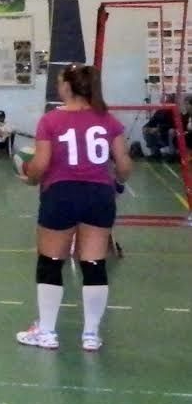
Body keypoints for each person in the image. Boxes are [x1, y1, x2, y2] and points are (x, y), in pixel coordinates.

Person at [16, 64, 131, 352]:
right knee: (94, 263)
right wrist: (116, 182)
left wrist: (30, 178)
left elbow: (40, 164)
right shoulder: (108, 120)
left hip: (61, 194)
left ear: (67, 87)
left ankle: (47, 332)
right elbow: (124, 166)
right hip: (99, 196)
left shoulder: (51, 120)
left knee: (51, 261)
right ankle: (91, 335)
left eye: (59, 82)